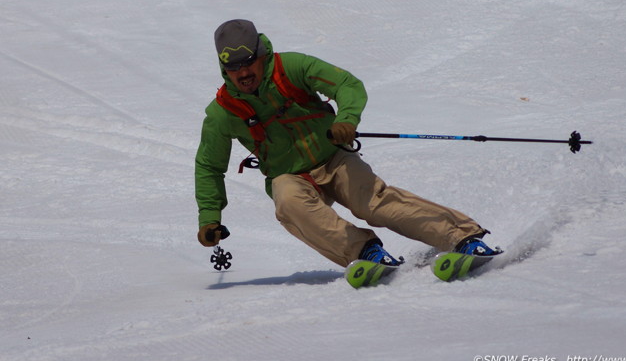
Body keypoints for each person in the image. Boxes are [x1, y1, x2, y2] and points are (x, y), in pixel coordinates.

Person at [195, 19, 497, 267]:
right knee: (287, 201)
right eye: (233, 67)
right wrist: (210, 218)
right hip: (291, 175)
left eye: (248, 63)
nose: (243, 73)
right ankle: (364, 254)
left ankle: (462, 237)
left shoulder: (292, 68)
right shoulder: (223, 111)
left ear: (261, 55)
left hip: (334, 158)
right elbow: (209, 166)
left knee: (373, 204)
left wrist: (347, 120)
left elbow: (347, 84)